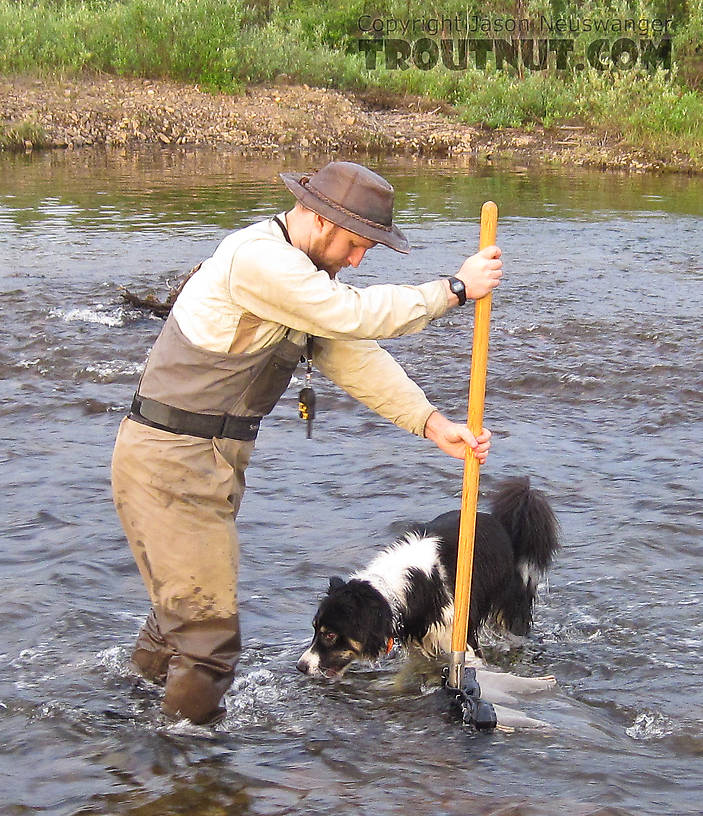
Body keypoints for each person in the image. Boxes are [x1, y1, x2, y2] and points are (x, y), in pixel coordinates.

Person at [111, 161, 503, 725]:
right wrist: (455, 290)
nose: (357, 260)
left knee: (181, 619)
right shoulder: (260, 260)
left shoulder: (300, 282)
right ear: (319, 219)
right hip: (171, 465)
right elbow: (353, 315)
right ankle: (184, 781)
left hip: (198, 465)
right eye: (355, 245)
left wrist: (431, 422)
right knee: (208, 644)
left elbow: (352, 355)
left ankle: (133, 720)